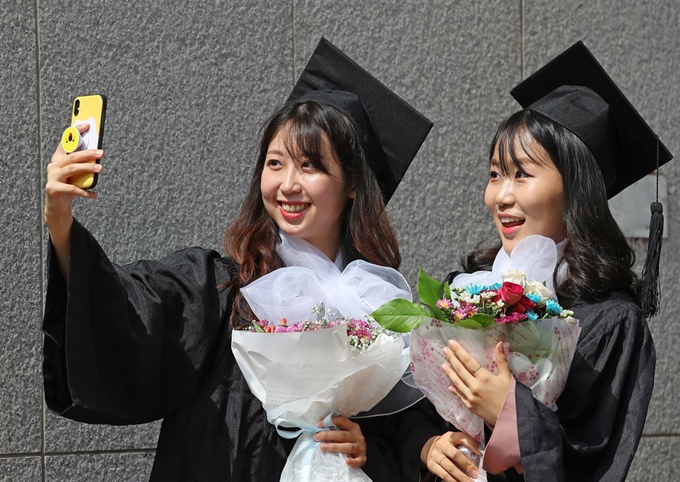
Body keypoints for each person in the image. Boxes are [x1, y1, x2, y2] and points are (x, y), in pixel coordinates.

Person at [42, 38, 446, 481]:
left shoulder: (378, 303)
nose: (287, 185)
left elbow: (404, 434)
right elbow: (125, 311)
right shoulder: (221, 287)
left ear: (352, 184)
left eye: (309, 166)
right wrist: (61, 221)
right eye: (275, 163)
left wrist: (362, 446)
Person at [425, 41, 672, 482]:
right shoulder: (468, 289)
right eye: (496, 174)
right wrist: (430, 444)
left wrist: (510, 412)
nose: (501, 195)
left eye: (522, 174)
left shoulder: (611, 322)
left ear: (575, 187)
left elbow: (597, 460)